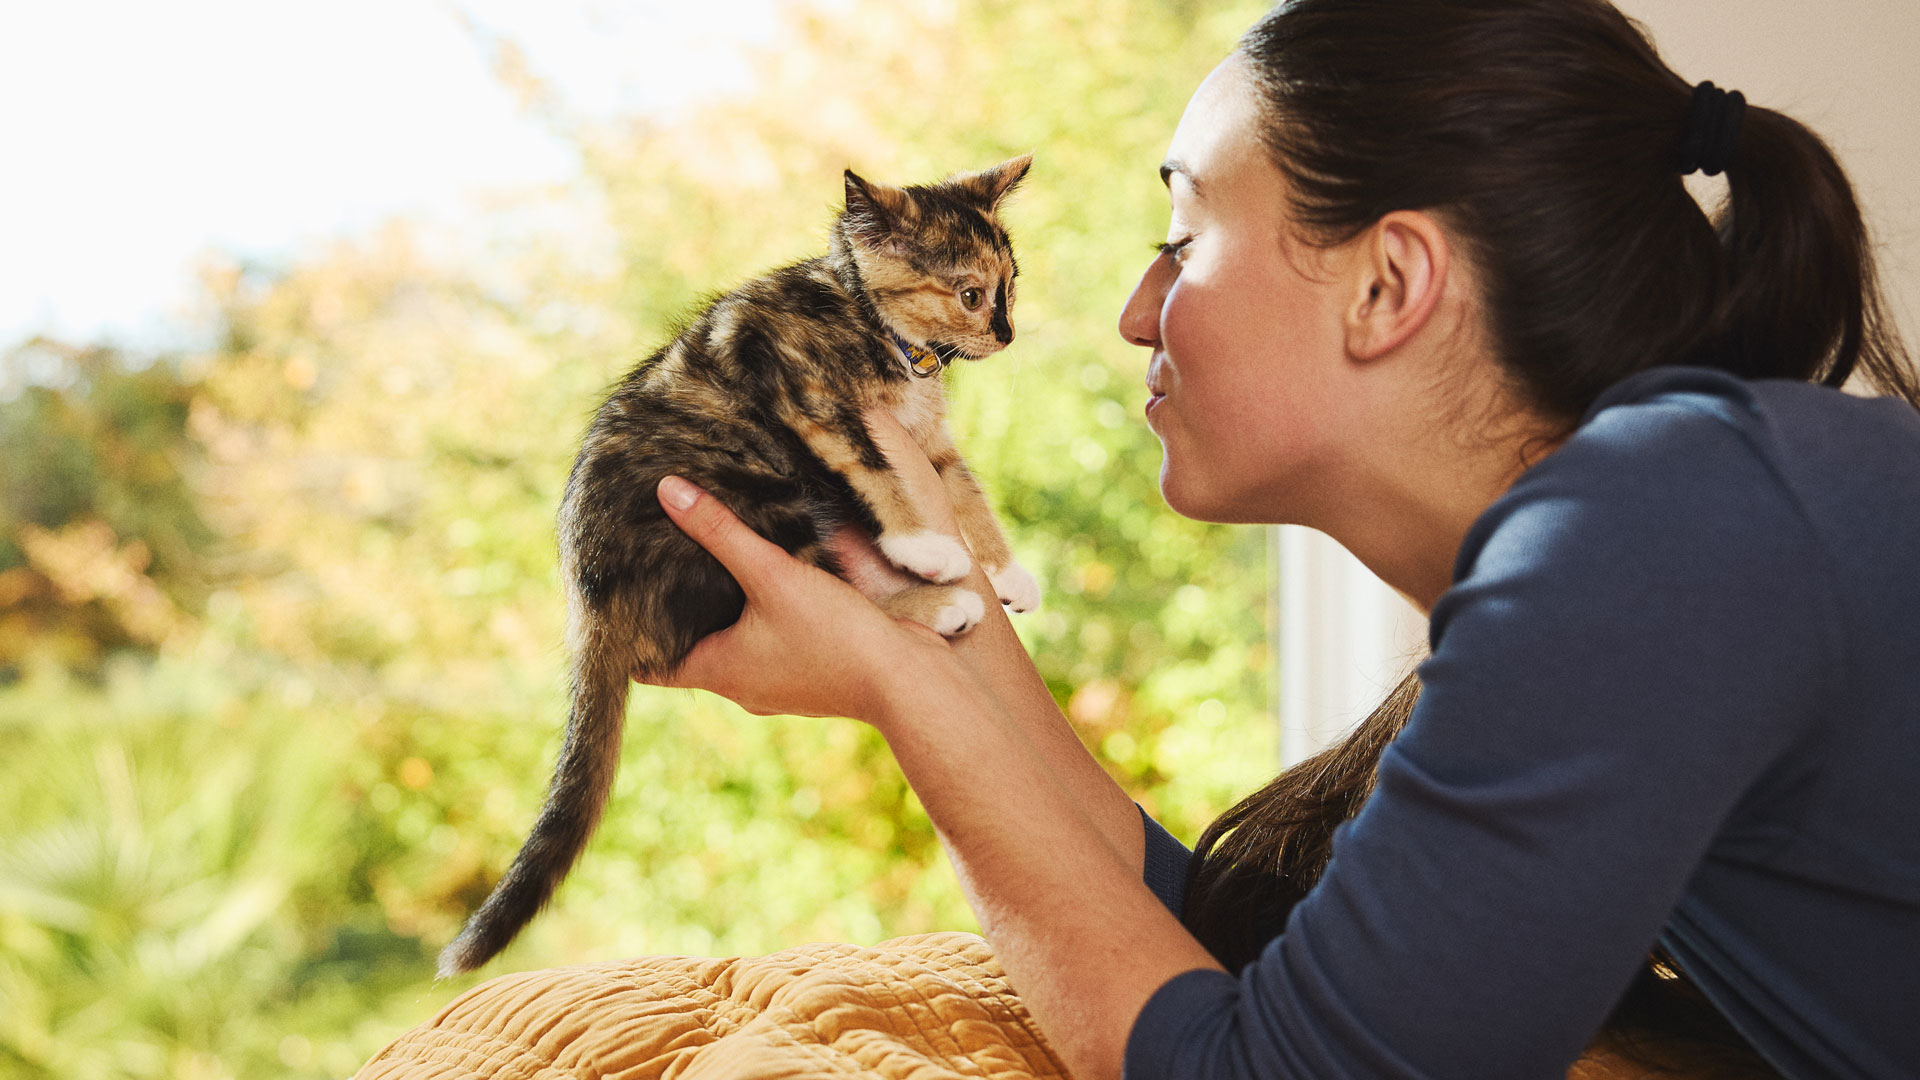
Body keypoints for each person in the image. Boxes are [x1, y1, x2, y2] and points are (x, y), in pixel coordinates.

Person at [642, 0, 1920, 1076]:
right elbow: (1255, 963)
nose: (1138, 315)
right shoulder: (1673, 523)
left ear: (1389, 287)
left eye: (1182, 239)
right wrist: (944, 614)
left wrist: (901, 691)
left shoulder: (1659, 533)